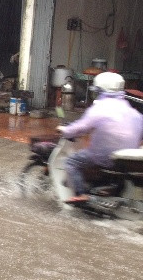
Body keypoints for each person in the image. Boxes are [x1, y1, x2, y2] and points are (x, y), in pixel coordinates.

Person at [57, 71, 143, 204]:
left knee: (71, 162)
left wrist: (65, 130)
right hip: (127, 160)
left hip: (103, 156)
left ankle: (81, 194)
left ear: (100, 91)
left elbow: (80, 128)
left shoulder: (99, 109)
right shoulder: (134, 113)